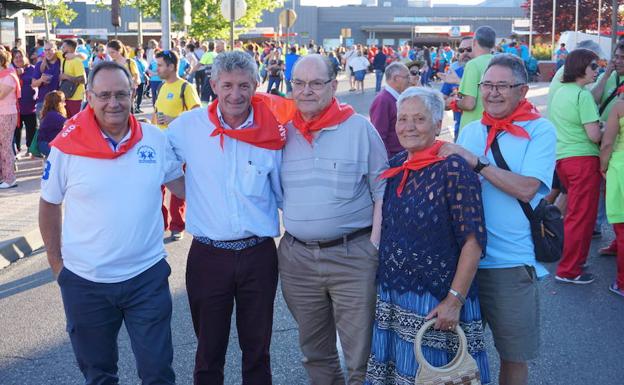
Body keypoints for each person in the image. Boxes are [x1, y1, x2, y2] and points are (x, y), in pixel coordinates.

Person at [38, 61, 184, 384]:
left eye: (121, 94)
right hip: (85, 283)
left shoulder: (154, 140)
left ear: (133, 93)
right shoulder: (67, 146)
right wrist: (56, 265)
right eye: (104, 95)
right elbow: (49, 204)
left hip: (146, 278)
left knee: (158, 372)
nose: (113, 103)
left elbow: (183, 187)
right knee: (99, 375)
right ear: (89, 97)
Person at [166, 51, 285, 385]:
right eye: (228, 85)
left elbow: (288, 187)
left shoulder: (273, 132)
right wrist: (191, 191)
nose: (236, 94)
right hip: (208, 255)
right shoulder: (188, 127)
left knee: (258, 350)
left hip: (258, 255)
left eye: (244, 85)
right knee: (208, 352)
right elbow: (158, 159)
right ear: (214, 85)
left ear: (256, 85)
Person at [440, 54, 556, 385]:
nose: (492, 93)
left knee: (513, 356)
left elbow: (528, 188)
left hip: (511, 264)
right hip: (465, 266)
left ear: (523, 90)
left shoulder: (540, 130)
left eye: (502, 86)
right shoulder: (473, 130)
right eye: (487, 85)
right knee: (457, 354)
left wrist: (477, 164)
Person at [365, 86, 489, 385]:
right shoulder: (396, 166)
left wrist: (454, 300)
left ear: (437, 124)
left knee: (438, 377)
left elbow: (473, 242)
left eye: (419, 119)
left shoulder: (453, 169)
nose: (408, 127)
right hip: (395, 296)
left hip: (436, 300)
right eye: (403, 119)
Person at [279, 54, 388, 385]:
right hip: (297, 260)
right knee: (315, 351)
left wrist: (373, 247)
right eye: (299, 83)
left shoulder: (359, 129)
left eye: (315, 83)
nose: (306, 91)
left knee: (361, 354)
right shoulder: (281, 133)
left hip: (352, 256)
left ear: (333, 85)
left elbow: (383, 192)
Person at [549, 49, 602, 284]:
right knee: (581, 218)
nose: (597, 70)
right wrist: (610, 129)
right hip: (583, 161)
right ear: (582, 67)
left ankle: (573, 261)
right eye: (594, 66)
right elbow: (593, 135)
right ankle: (569, 269)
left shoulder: (562, 92)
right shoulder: (583, 96)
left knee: (574, 215)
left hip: (564, 159)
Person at [154, 49, 200, 241]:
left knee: (177, 187)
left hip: (179, 146)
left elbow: (197, 114)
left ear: (172, 66)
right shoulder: (162, 87)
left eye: (160, 65)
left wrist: (174, 118)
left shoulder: (186, 87)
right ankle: (160, 224)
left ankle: (177, 226)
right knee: (157, 186)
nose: (157, 69)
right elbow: (158, 113)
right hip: (160, 143)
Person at [600, 97, 624, 297]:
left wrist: (603, 166)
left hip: (621, 169)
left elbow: (607, 143)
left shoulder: (620, 107)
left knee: (623, 231)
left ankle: (622, 283)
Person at [457, 25, 496, 130]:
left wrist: (455, 102)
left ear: (474, 42)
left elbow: (469, 104)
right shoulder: (499, 62)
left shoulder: (473, 65)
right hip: (494, 126)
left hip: (473, 128)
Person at [369, 62, 410, 158]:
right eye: (406, 77)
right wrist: (387, 163)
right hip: (393, 158)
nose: (409, 80)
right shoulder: (383, 100)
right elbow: (378, 136)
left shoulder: (395, 97)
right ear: (395, 78)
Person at [440, 37, 473, 140]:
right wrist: (450, 101)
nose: (465, 53)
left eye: (469, 49)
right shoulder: (455, 73)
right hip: (461, 132)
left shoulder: (488, 72)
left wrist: (459, 83)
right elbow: (442, 101)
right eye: (461, 50)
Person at [11, 47, 37, 154]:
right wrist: (15, 73)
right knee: (16, 131)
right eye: (15, 57)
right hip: (15, 107)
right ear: (12, 60)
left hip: (30, 105)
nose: (18, 59)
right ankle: (17, 150)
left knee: (31, 129)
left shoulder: (32, 69)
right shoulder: (10, 71)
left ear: (25, 57)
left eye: (20, 56)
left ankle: (30, 149)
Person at [0, 49, 20, 189]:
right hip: (3, 113)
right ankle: (4, 176)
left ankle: (9, 178)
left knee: (6, 146)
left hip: (6, 114)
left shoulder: (9, 76)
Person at [32, 40, 61, 118]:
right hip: (43, 103)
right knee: (44, 129)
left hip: (59, 103)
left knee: (60, 129)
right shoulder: (40, 65)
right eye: (45, 50)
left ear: (55, 50)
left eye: (50, 49)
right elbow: (33, 84)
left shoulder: (62, 63)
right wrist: (41, 80)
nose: (47, 52)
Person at [59, 39, 86, 118]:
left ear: (70, 49)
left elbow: (83, 80)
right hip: (66, 97)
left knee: (76, 122)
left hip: (76, 98)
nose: (61, 49)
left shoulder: (76, 61)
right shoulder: (63, 57)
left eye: (63, 47)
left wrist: (66, 77)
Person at [36, 90, 66, 156]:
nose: (65, 103)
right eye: (63, 101)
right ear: (58, 103)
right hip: (46, 145)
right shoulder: (53, 115)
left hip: (45, 143)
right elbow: (68, 123)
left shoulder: (50, 113)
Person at [133, 47, 148, 113]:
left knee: (140, 94)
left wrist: (146, 76)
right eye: (139, 52)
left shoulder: (144, 61)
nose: (140, 54)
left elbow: (145, 70)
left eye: (141, 52)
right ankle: (134, 107)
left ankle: (138, 107)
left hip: (142, 80)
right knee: (134, 94)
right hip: (135, 80)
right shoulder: (133, 60)